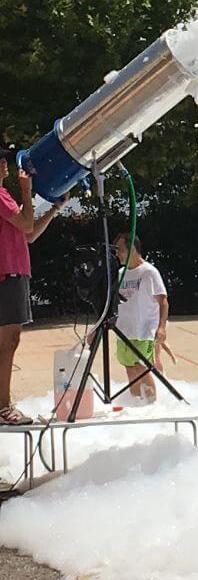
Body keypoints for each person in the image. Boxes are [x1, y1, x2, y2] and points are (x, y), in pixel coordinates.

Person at [0, 149, 67, 425]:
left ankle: (3, 404)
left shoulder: (5, 198)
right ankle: (3, 407)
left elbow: (28, 235)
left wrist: (53, 209)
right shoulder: (2, 197)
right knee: (8, 342)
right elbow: (27, 223)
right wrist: (26, 191)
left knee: (9, 342)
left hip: (14, 271)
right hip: (7, 273)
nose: (5, 164)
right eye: (1, 160)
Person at [112, 232, 168, 404]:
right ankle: (135, 403)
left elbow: (163, 301)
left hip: (143, 330)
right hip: (124, 330)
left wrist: (161, 327)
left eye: (120, 250)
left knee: (141, 368)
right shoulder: (120, 273)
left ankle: (152, 404)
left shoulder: (149, 272)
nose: (117, 254)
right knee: (130, 369)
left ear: (133, 249)